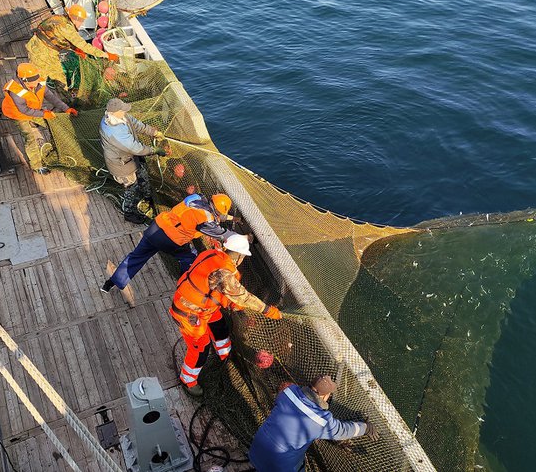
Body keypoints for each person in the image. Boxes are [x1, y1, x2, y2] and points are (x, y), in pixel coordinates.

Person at [170, 233, 282, 397]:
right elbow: (244, 297)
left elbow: (214, 288)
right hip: (189, 314)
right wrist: (267, 310)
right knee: (201, 347)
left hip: (204, 309)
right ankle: (188, 380)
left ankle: (224, 354)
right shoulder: (223, 273)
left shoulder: (212, 254)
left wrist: (231, 302)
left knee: (219, 326)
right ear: (240, 256)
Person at [100, 193, 239, 292]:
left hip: (155, 229)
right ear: (217, 211)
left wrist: (234, 219)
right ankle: (184, 288)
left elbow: (214, 213)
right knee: (190, 259)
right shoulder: (206, 219)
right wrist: (245, 237)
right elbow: (223, 233)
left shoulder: (195, 198)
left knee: (136, 257)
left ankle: (110, 283)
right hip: (171, 240)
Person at [248, 375, 378, 471]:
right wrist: (366, 428)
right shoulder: (321, 420)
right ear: (324, 396)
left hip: (255, 451)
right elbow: (343, 431)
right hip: (278, 466)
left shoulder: (288, 392)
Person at [1, 62, 78, 174]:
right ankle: (36, 165)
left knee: (52, 120)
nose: (35, 84)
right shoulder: (16, 91)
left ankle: (36, 122)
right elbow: (24, 110)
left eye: (36, 80)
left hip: (33, 110)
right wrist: (43, 114)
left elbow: (51, 97)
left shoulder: (39, 82)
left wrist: (66, 108)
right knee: (29, 138)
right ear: (23, 80)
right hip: (17, 114)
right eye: (32, 82)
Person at [100, 97, 166, 223]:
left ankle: (147, 197)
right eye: (122, 110)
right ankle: (129, 212)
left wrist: (154, 132)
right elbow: (135, 148)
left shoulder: (122, 117)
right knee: (131, 187)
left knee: (143, 175)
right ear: (113, 112)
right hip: (121, 164)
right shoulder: (113, 130)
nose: (125, 111)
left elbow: (136, 124)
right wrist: (154, 150)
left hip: (132, 158)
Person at [26, 4, 119, 90]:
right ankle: (63, 102)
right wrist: (106, 55)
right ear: (76, 19)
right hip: (45, 54)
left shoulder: (58, 18)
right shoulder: (67, 27)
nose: (81, 24)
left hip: (34, 46)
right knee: (59, 80)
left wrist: (76, 49)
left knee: (38, 78)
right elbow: (85, 46)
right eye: (81, 21)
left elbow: (58, 37)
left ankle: (40, 94)